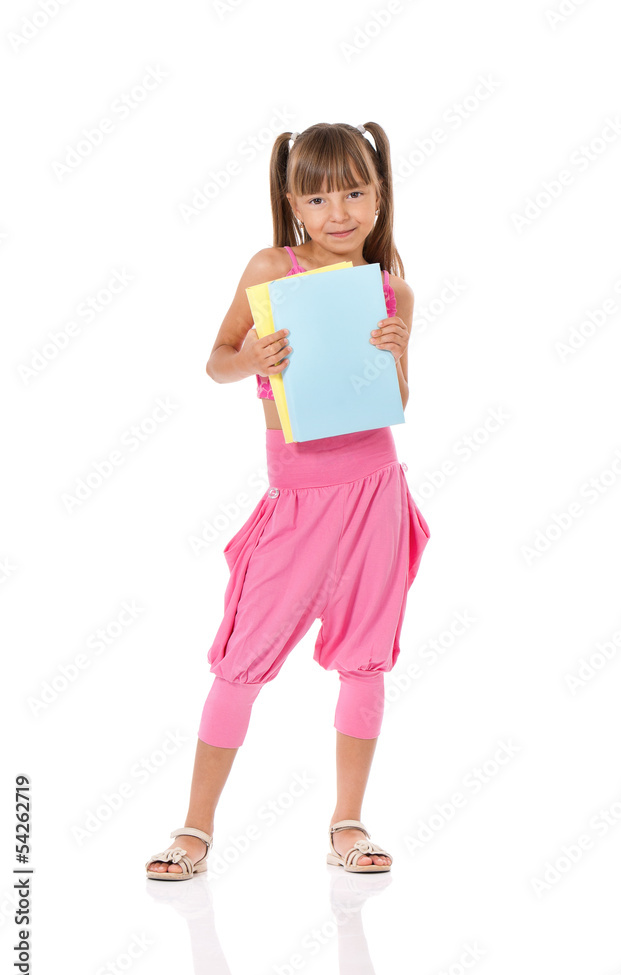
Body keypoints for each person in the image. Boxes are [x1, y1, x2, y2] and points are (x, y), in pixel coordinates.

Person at [146, 121, 431, 880]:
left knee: (366, 660)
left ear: (379, 195)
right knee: (240, 661)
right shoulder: (272, 268)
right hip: (298, 496)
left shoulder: (392, 286)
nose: (338, 211)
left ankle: (348, 821)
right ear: (292, 202)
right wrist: (254, 359)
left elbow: (397, 398)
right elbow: (216, 363)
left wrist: (396, 354)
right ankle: (194, 828)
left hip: (374, 491)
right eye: (318, 195)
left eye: (354, 192)